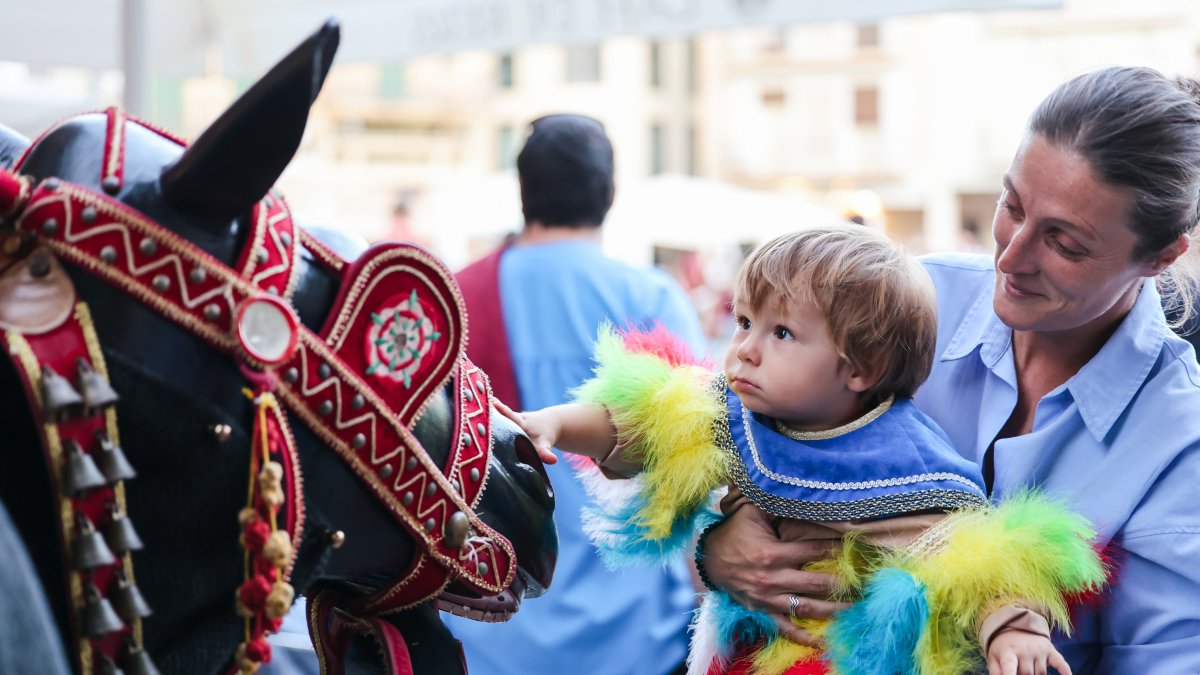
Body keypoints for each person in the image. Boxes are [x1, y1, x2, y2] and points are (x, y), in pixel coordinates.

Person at [699, 66, 1200, 674]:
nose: (1011, 257)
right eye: (1011, 205)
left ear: (1161, 254)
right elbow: (710, 438)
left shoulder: (1180, 441)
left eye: (1065, 244)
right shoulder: (895, 303)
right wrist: (716, 549)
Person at [507, 225, 1104, 675]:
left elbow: (969, 558)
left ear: (861, 368)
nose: (746, 349)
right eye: (743, 321)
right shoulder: (735, 408)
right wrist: (555, 425)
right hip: (738, 652)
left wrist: (1012, 630)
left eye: (782, 333)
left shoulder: (900, 464)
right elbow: (639, 419)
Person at [450, 114, 706, 675]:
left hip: (491, 627)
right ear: (609, 194)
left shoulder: (456, 301)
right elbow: (702, 458)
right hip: (636, 631)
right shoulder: (651, 299)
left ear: (522, 191)